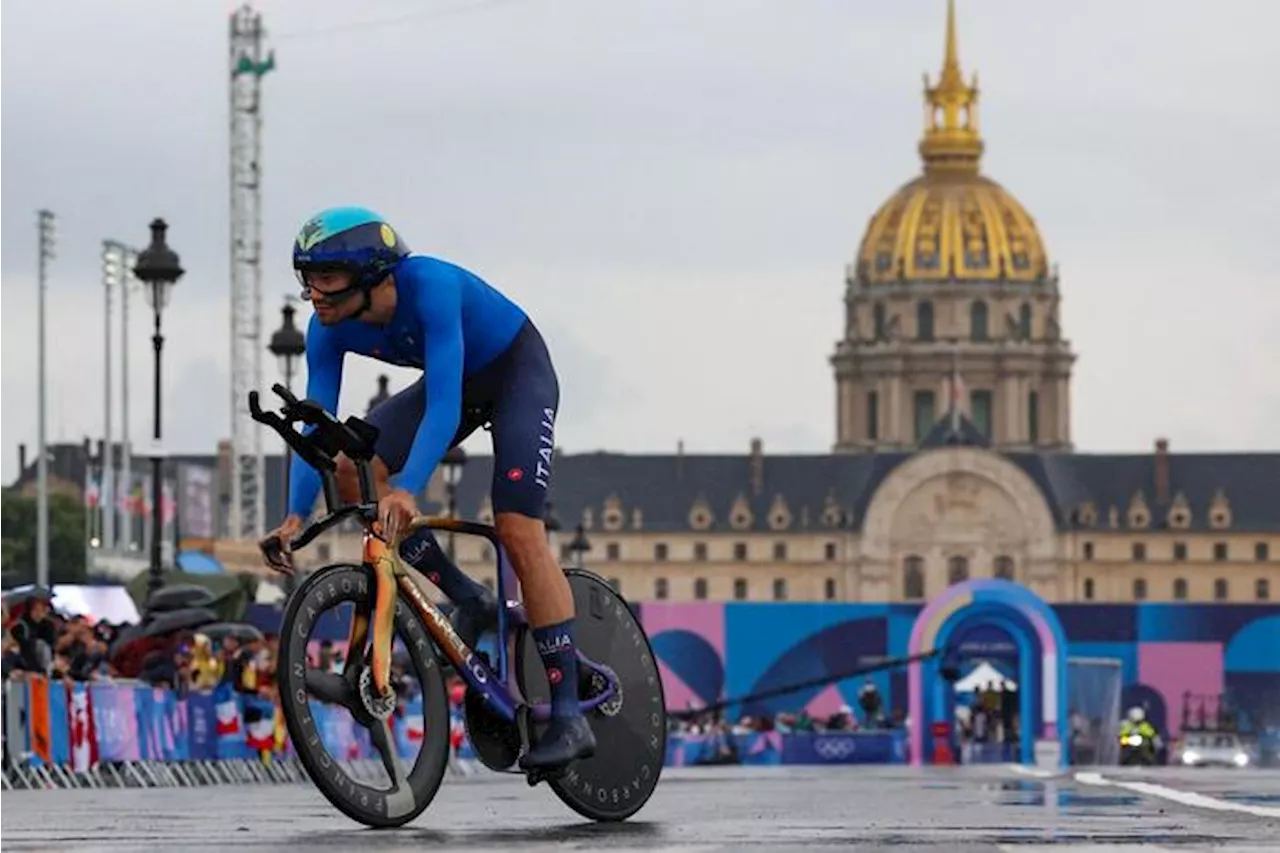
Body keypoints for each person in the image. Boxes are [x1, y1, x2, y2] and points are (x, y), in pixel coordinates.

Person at [258, 206, 594, 770]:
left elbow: (444, 404)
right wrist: (293, 516)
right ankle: (471, 600)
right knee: (348, 470)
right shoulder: (327, 328)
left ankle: (568, 715)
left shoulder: (431, 286)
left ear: (372, 275)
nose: (313, 294)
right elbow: (317, 424)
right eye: (306, 278)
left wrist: (408, 487)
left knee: (517, 528)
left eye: (327, 279)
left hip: (515, 370)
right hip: (456, 381)